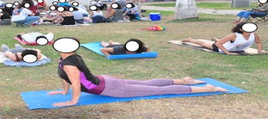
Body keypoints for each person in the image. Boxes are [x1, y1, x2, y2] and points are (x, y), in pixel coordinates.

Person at [48, 38, 227, 107]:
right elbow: (66, 78)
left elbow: (77, 83)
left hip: (109, 88)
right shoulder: (69, 57)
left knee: (155, 90)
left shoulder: (69, 63)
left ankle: (207, 88)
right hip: (106, 80)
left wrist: (72, 100)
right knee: (147, 83)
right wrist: (63, 91)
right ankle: (184, 80)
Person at [181, 23, 265, 55]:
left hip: (235, 48)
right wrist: (228, 53)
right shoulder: (234, 35)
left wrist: (260, 51)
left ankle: (217, 38)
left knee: (220, 41)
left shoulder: (254, 35)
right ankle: (190, 39)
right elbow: (218, 44)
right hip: (220, 48)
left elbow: (258, 42)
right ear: (241, 29)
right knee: (203, 44)